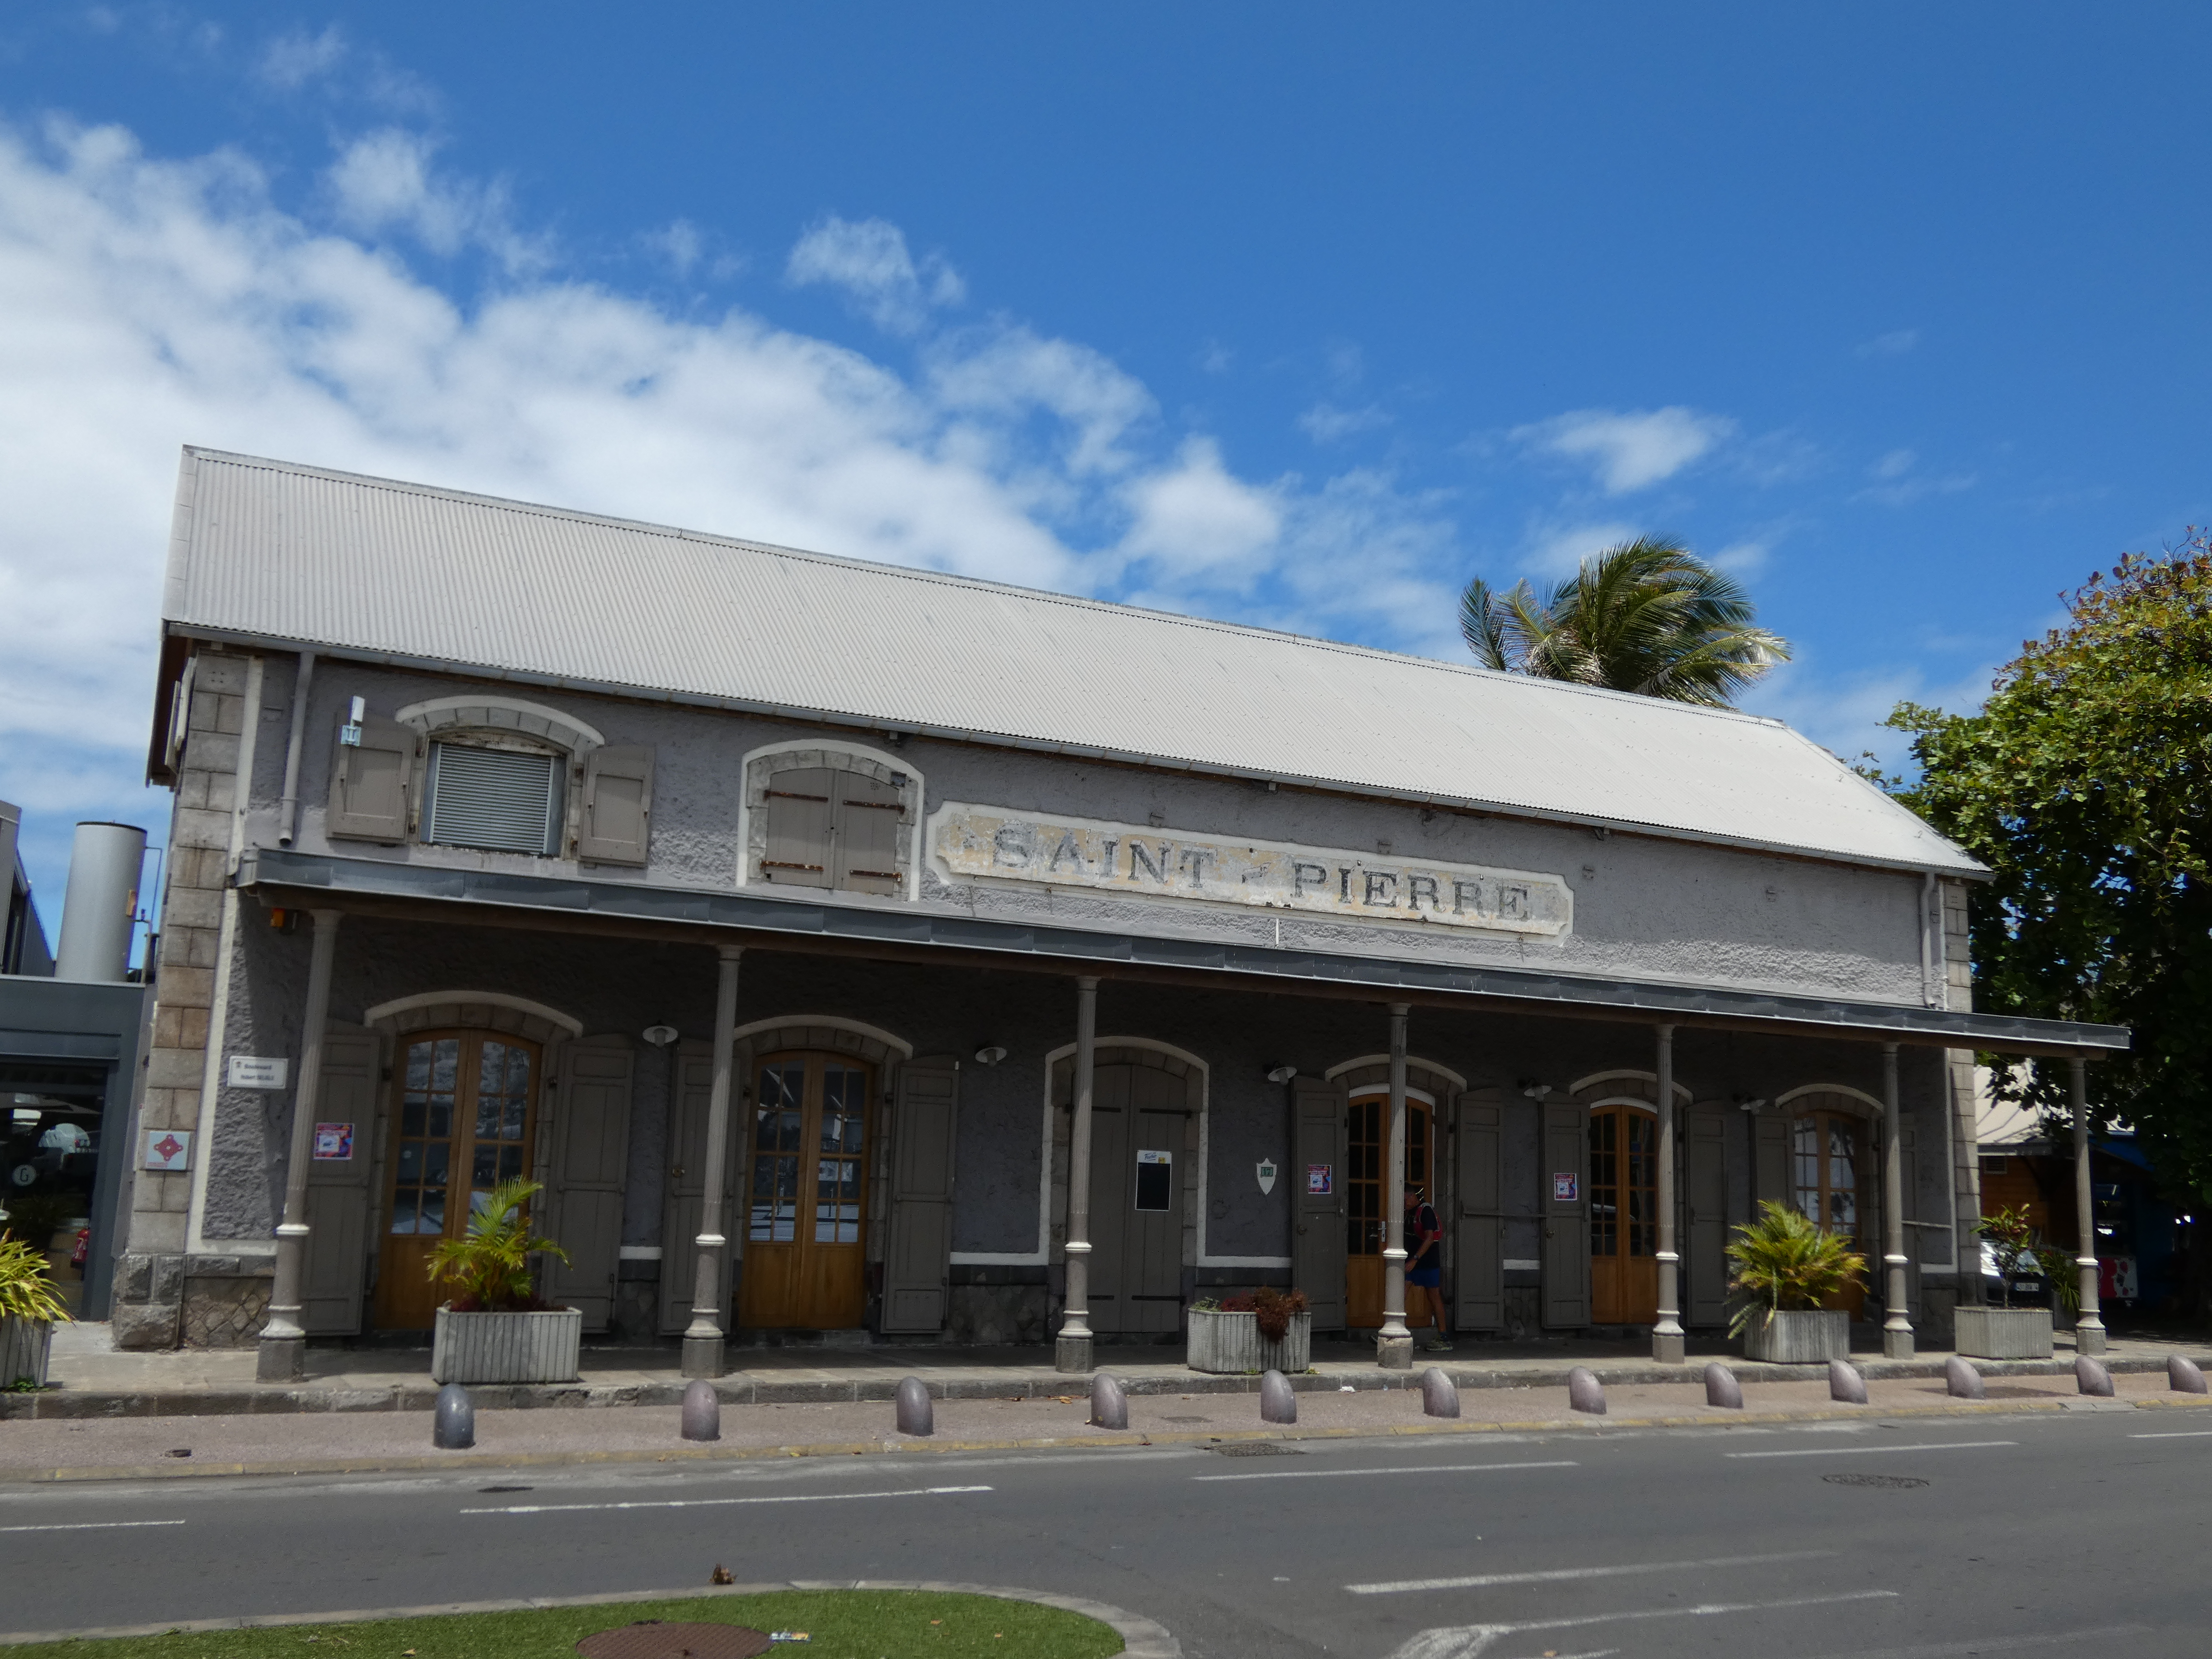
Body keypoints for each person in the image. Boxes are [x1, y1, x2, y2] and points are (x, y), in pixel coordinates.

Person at [1404, 1184, 1451, 1351]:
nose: (1404, 1203)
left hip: (1426, 1260)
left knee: (1434, 1297)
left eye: (1406, 1199)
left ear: (1413, 1197)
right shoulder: (1408, 1213)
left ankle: (1444, 1337)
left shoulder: (1426, 1211)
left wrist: (1416, 1259)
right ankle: (1391, 1329)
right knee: (1400, 1291)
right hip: (1411, 1260)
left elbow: (1430, 1238)